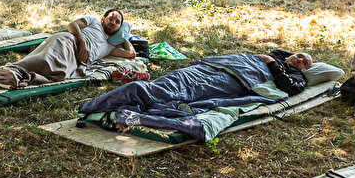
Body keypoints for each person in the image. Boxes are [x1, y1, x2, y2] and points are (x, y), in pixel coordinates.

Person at [76, 49, 314, 137]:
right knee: (174, 79)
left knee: (162, 92)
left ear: (304, 70)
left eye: (305, 62)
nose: (300, 60)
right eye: (300, 55)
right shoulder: (271, 55)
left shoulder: (295, 76)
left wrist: (272, 64)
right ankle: (110, 105)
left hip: (232, 80)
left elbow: (289, 88)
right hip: (210, 68)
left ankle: (104, 106)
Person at [0, 9, 135, 89]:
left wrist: (123, 35)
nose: (113, 22)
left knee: (59, 72)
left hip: (76, 60)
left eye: (117, 22)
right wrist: (82, 42)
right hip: (69, 42)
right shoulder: (93, 22)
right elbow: (72, 25)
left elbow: (130, 54)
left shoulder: (110, 46)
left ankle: (15, 74)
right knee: (45, 59)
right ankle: (10, 72)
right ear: (103, 19)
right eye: (111, 18)